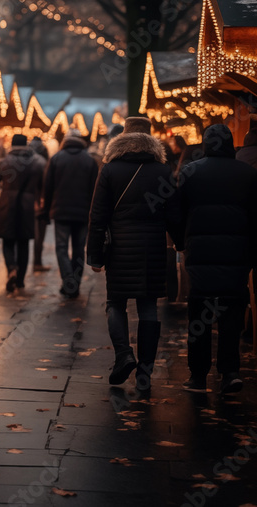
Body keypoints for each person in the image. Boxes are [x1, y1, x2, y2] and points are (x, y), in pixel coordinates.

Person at [87, 117, 176, 393]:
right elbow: (173, 215)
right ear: (151, 140)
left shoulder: (110, 170)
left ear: (123, 138)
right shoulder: (163, 171)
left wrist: (95, 257)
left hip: (120, 248)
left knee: (115, 302)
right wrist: (182, 244)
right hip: (152, 248)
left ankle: (124, 355)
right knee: (148, 306)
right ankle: (145, 373)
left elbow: (98, 215)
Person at [173, 124, 257, 395]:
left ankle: (198, 376)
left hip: (200, 256)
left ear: (206, 144)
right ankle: (229, 371)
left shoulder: (190, 172)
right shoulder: (248, 174)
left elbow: (176, 214)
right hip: (237, 256)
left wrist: (181, 242)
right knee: (232, 314)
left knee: (199, 316)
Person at [42, 128, 98, 299]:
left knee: (61, 248)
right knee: (79, 249)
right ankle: (74, 283)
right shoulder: (90, 160)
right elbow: (95, 190)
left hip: (61, 211)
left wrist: (46, 212)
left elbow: (48, 187)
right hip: (83, 213)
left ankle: (68, 282)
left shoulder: (56, 159)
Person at [0, 134, 46, 292]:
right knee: (24, 242)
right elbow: (43, 184)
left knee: (8, 241)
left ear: (12, 146)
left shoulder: (3, 162)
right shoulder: (37, 162)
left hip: (7, 204)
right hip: (28, 205)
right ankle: (20, 280)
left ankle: (11, 268)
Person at [29, 136, 51, 273]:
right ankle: (37, 262)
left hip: (26, 201)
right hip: (40, 202)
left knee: (23, 236)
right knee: (39, 234)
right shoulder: (44, 161)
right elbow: (47, 184)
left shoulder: (26, 158)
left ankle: (17, 266)